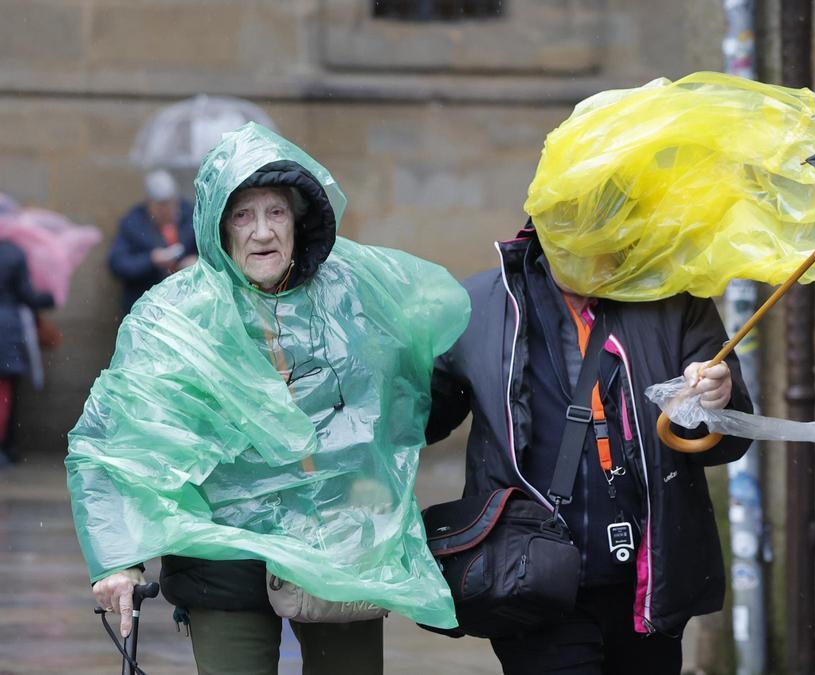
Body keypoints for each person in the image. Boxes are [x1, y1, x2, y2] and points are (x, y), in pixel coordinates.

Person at [76, 124, 467, 674]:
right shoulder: (174, 317)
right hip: (224, 558)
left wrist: (389, 464)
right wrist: (120, 559)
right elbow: (121, 440)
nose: (262, 233)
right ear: (219, 226)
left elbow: (424, 373)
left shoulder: (352, 291)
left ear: (298, 220)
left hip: (340, 547)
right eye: (243, 215)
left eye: (276, 213)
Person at [426, 223, 753, 674]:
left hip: (648, 583)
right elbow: (421, 418)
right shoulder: (481, 303)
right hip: (528, 578)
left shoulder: (673, 299)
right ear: (541, 222)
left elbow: (727, 442)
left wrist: (715, 402)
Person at [108, 169, 198, 314]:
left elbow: (214, 251)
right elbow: (117, 263)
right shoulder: (133, 223)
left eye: (169, 204)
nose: (166, 211)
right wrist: (150, 260)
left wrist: (197, 262)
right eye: (160, 206)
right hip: (147, 303)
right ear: (148, 204)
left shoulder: (192, 216)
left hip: (187, 302)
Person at [0, 240, 54, 465]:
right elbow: (27, 294)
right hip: (7, 330)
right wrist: (49, 298)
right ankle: (5, 448)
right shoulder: (13, 251)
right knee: (5, 394)